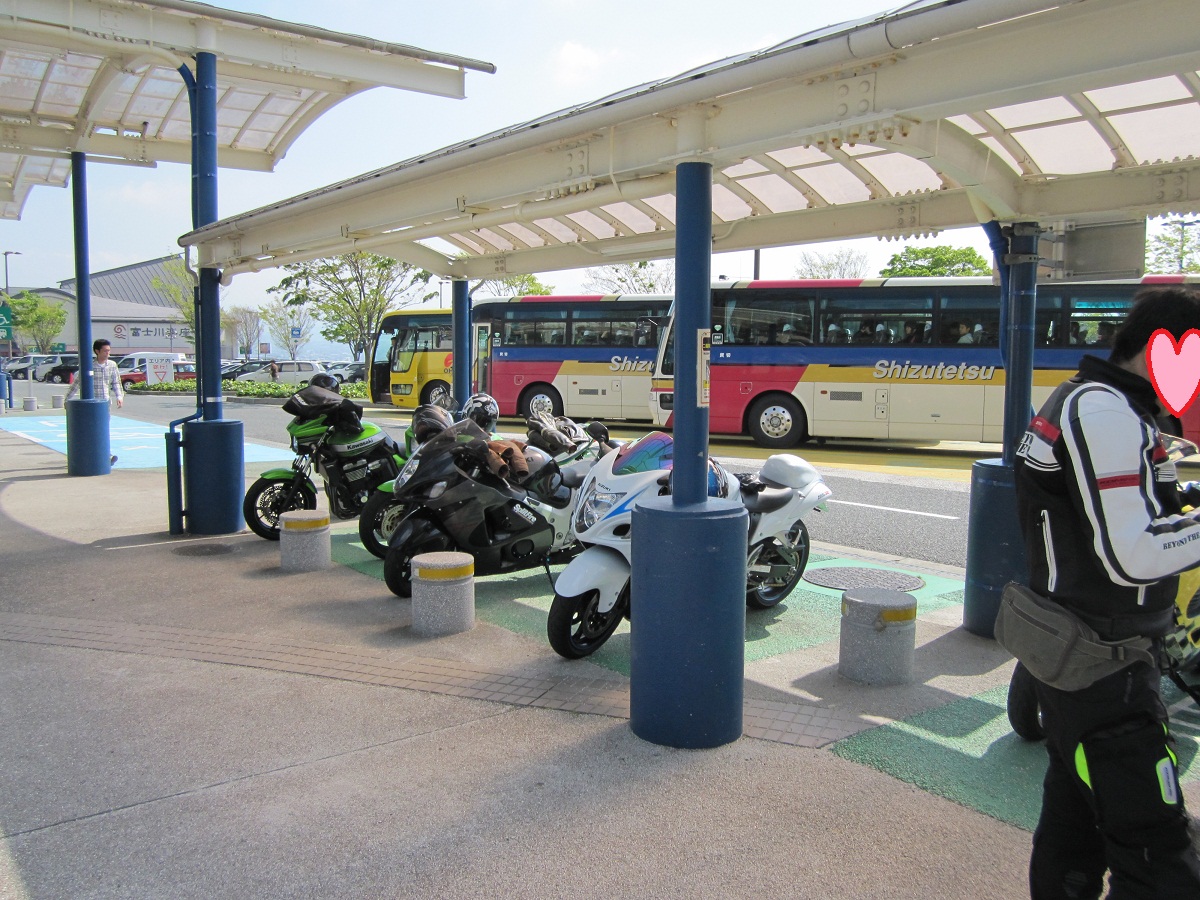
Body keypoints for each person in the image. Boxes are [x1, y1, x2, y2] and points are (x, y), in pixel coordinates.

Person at [1014, 285, 1200, 899]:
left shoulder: (1097, 401)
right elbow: (1132, 554)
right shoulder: (1103, 412)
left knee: (1074, 822)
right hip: (1105, 661)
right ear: (1161, 349)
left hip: (1075, 649)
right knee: (1157, 849)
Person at [64, 338, 124, 465]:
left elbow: (116, 382)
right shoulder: (89, 366)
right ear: (97, 351)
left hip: (105, 403)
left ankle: (107, 455)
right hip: (91, 404)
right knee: (92, 430)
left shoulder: (112, 365)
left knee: (103, 429)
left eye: (109, 350)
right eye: (105, 351)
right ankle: (98, 455)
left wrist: (119, 396)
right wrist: (67, 399)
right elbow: (77, 383)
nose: (108, 353)